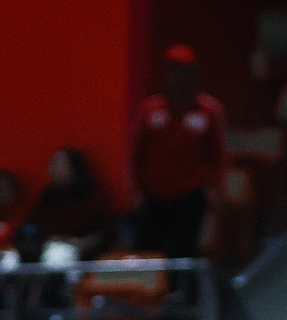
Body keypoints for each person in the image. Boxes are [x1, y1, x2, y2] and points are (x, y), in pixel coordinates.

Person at [129, 45, 230, 259]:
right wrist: (136, 190)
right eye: (174, 71)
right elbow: (137, 153)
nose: (179, 78)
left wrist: (218, 189)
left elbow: (219, 155)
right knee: (147, 251)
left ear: (194, 75)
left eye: (185, 71)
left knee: (183, 252)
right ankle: (152, 293)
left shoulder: (209, 111)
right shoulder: (150, 109)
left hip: (189, 196)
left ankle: (183, 292)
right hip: (153, 196)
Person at [26, 148, 117, 258]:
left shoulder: (91, 196)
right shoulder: (47, 197)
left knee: (57, 256)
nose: (51, 169)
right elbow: (33, 228)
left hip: (79, 253)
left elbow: (103, 235)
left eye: (58, 164)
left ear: (73, 168)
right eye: (51, 164)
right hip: (46, 248)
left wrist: (78, 243)